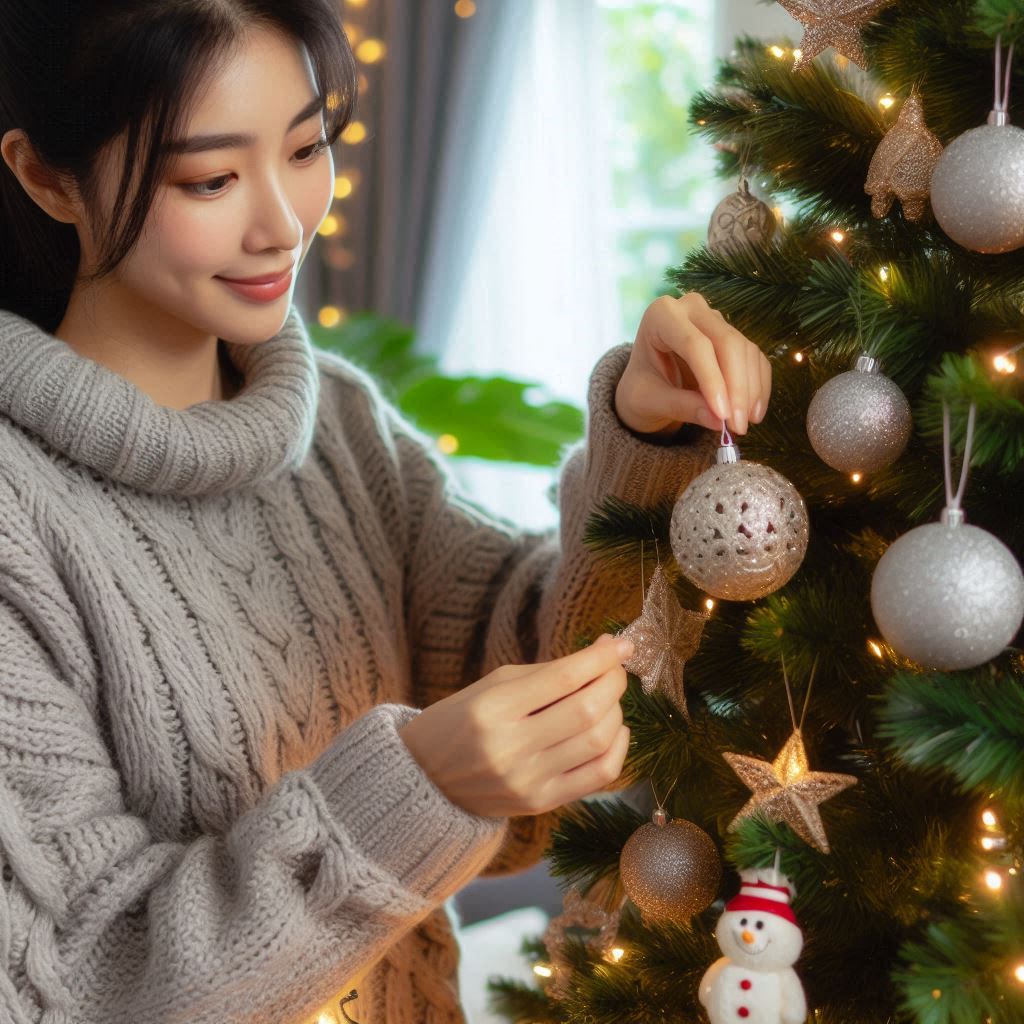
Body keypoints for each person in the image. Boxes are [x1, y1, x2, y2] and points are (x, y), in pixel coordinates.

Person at [0, 2, 771, 1022]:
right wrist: (410, 792)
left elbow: (532, 658)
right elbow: (76, 982)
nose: (283, 220)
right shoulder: (21, 519)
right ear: (48, 177)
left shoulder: (338, 428)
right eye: (212, 178)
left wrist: (644, 437)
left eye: (308, 146)